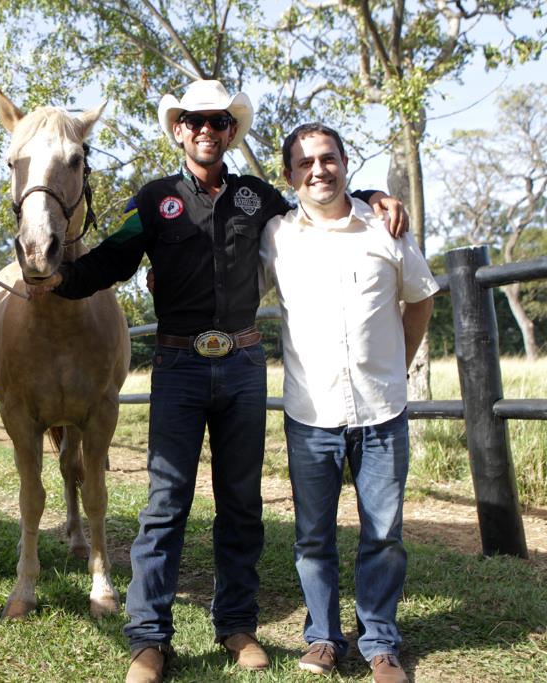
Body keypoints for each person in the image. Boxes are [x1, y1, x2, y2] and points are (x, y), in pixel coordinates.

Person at [27, 80, 406, 683]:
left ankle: (237, 626)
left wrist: (369, 195)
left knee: (241, 503)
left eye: (219, 121)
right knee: (164, 504)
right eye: (194, 120)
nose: (207, 129)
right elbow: (108, 262)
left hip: (244, 366)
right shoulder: (150, 202)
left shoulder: (259, 197)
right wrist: (53, 276)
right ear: (178, 129)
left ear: (231, 132)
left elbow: (318, 211)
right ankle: (149, 640)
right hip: (177, 368)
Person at [259, 123, 437, 683]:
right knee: (314, 537)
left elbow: (421, 300)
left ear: (344, 163)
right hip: (310, 415)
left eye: (328, 158)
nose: (318, 169)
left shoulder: (385, 227)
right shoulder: (277, 237)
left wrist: (396, 366)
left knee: (383, 533)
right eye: (305, 162)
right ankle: (322, 637)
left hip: (382, 410)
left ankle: (380, 642)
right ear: (289, 176)